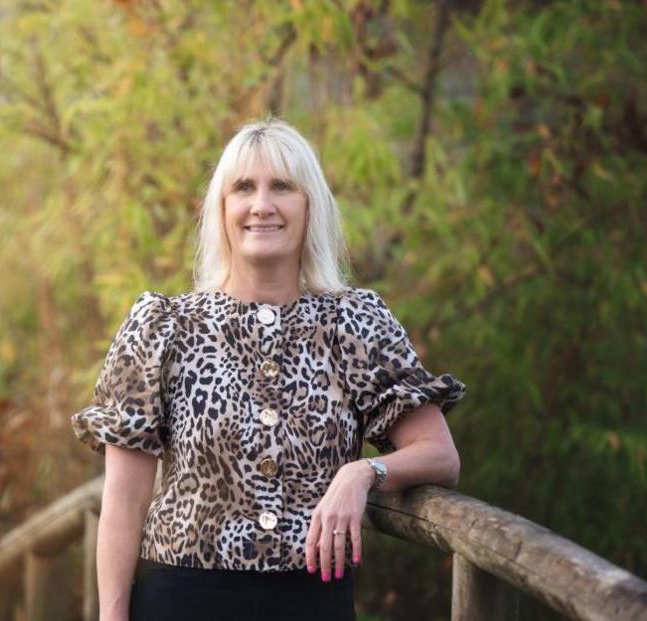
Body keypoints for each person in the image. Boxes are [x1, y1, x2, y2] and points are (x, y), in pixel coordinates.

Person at [70, 117, 466, 621]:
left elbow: (440, 455)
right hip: (180, 602)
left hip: (312, 603)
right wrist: (111, 616)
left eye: (282, 186)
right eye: (243, 188)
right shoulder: (162, 328)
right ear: (222, 210)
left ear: (309, 207)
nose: (261, 205)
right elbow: (124, 501)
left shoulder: (355, 324)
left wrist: (362, 473)